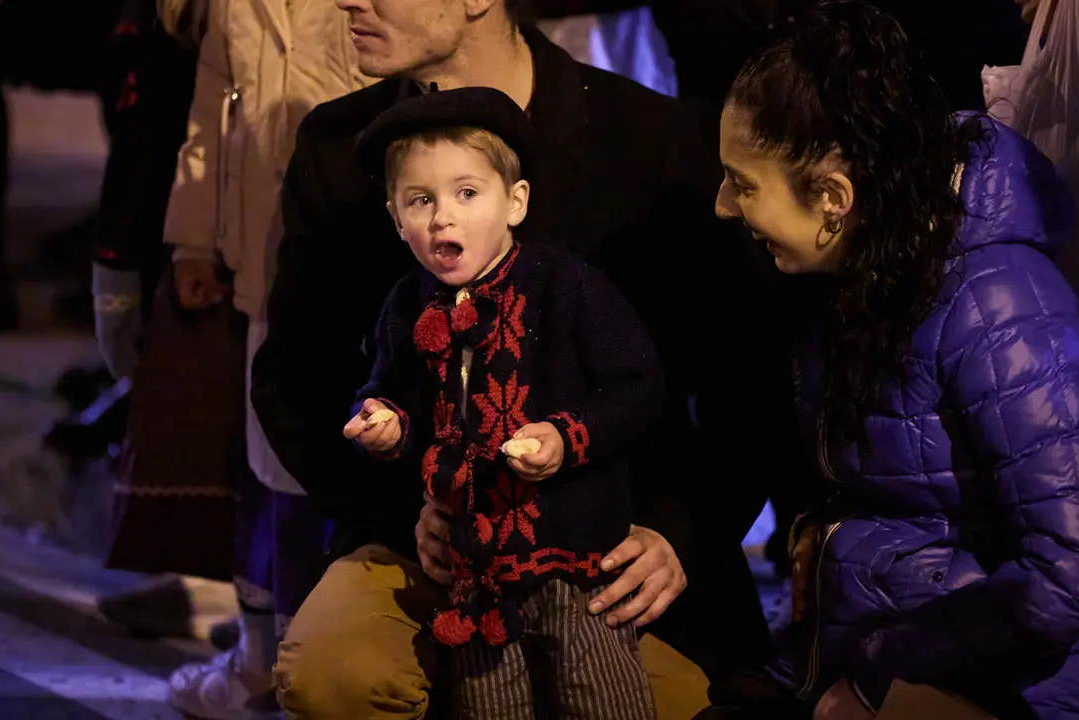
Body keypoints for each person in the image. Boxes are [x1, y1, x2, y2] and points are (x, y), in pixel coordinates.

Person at [251, 0, 789, 717]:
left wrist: (677, 533)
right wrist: (411, 503)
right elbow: (296, 378)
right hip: (429, 538)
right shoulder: (339, 147)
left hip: (610, 547)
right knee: (336, 673)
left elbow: (746, 382)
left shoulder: (649, 138)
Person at [710, 2, 1079, 717]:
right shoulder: (869, 277)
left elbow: (1075, 570)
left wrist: (879, 672)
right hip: (857, 659)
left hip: (975, 691)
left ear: (832, 198)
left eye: (742, 183)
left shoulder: (999, 310)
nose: (723, 206)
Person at [343, 85, 662, 718]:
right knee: (489, 705)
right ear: (394, 217)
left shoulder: (564, 285)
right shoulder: (406, 305)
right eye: (420, 200)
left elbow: (638, 387)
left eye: (467, 194)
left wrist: (566, 436)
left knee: (600, 698)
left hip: (572, 559)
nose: (443, 218)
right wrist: (385, 423)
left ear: (514, 201)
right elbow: (389, 391)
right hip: (475, 569)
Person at [153, 0, 372, 716]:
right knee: (268, 465)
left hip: (358, 257)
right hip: (263, 259)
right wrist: (193, 237)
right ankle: (263, 662)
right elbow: (212, 114)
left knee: (329, 466)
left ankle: (311, 665)